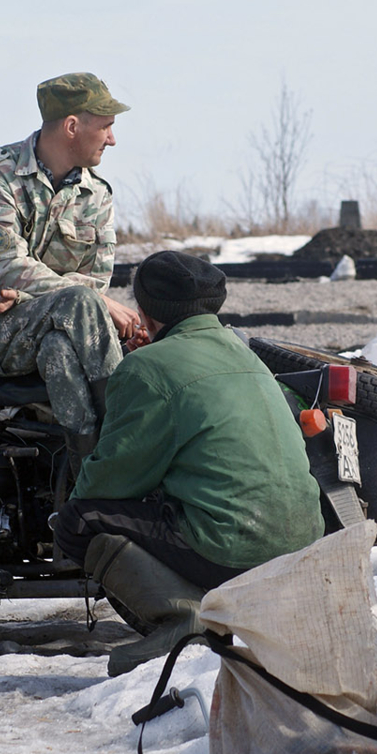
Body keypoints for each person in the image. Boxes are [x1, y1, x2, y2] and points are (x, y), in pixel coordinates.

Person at [53, 251, 325, 674]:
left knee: (78, 519)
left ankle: (189, 621)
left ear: (142, 311)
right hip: (303, 539)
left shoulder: (144, 367)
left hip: (235, 543)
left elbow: (108, 482)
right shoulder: (247, 355)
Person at [0, 72, 142, 458]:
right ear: (72, 126)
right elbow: (5, 267)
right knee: (83, 304)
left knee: (58, 350)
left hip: (59, 327)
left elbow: (96, 279)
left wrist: (32, 293)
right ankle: (127, 443)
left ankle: (86, 472)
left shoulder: (97, 195)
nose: (113, 139)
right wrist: (88, 298)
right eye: (106, 127)